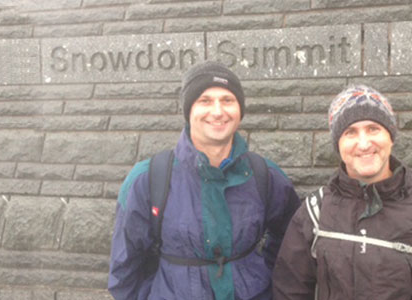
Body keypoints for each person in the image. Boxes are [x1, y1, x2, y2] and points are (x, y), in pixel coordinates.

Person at [108, 61, 301, 300]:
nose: (218, 111)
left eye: (227, 100)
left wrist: (262, 278)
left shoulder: (265, 175)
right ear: (189, 111)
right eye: (205, 100)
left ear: (240, 109)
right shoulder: (148, 179)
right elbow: (124, 269)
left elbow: (291, 242)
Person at [272, 85, 412, 300]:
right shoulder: (315, 213)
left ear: (390, 137)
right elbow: (289, 292)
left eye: (373, 128)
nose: (363, 143)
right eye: (350, 132)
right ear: (338, 144)